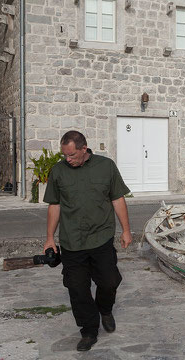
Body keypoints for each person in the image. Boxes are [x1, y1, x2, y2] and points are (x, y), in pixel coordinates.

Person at [43, 130, 133, 351]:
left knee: (109, 281)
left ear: (84, 149)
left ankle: (105, 308)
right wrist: (49, 239)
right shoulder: (58, 171)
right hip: (72, 242)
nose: (68, 159)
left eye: (72, 155)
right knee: (77, 288)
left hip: (101, 237)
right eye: (65, 155)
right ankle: (89, 331)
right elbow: (54, 205)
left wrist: (126, 230)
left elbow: (117, 198)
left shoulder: (106, 166)